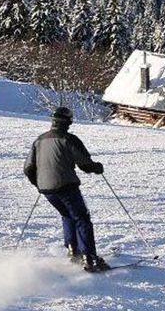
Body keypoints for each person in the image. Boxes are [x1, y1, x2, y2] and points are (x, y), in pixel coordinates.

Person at [24, 107, 109, 271]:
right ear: (68, 122)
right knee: (81, 218)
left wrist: (40, 184)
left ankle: (73, 250)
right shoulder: (69, 139)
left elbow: (28, 168)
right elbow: (84, 164)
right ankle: (89, 258)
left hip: (46, 189)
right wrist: (97, 168)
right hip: (66, 186)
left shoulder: (39, 140)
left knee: (67, 215)